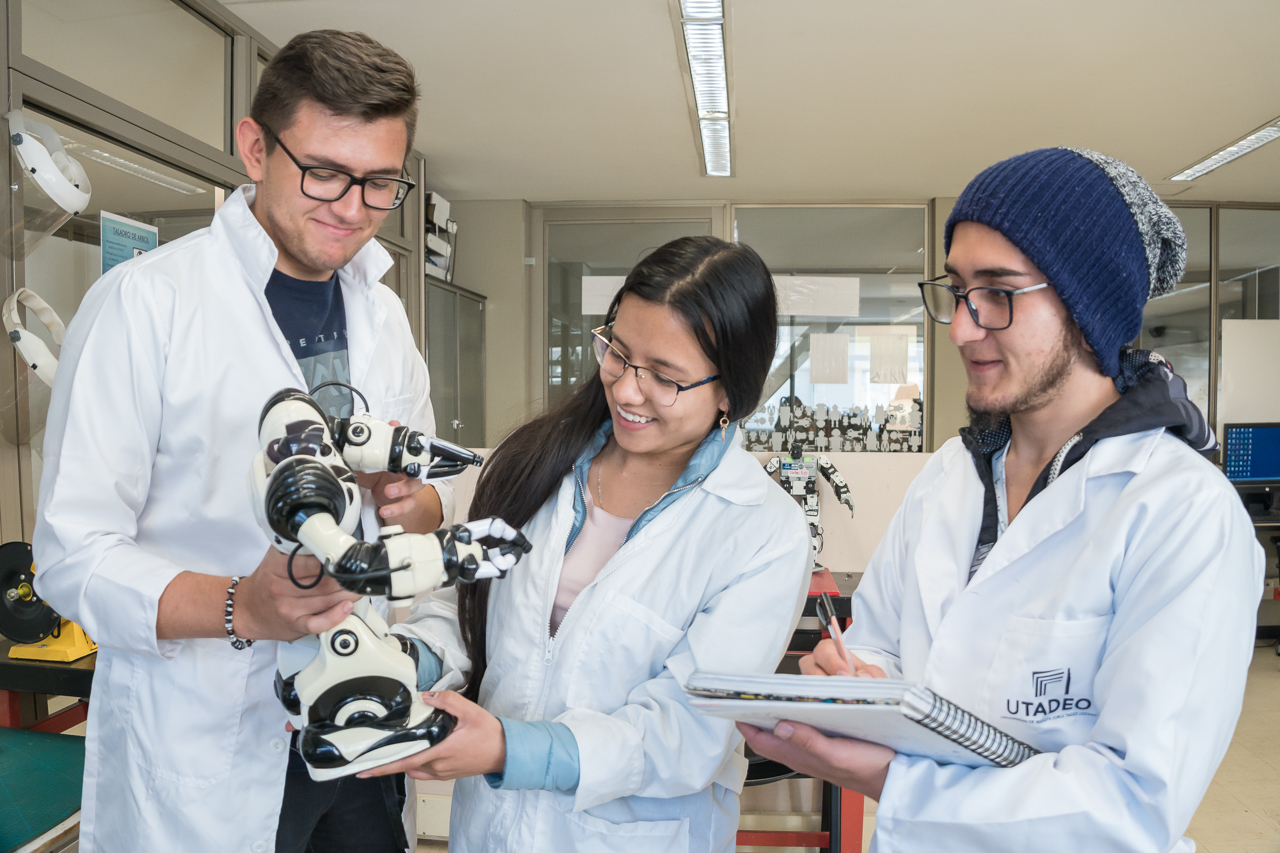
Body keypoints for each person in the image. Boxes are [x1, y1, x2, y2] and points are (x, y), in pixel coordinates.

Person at [740, 148, 1265, 852]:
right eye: (958, 290)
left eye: (998, 292)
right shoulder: (949, 476)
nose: (961, 327)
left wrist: (896, 780)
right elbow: (879, 644)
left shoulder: (1181, 512)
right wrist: (856, 681)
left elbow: (1131, 805)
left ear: (1087, 305)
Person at [33, 30, 450, 853]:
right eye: (324, 171)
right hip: (206, 741)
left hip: (356, 730)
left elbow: (422, 485)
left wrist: (415, 502)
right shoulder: (145, 304)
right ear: (255, 148)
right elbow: (73, 555)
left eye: (379, 182)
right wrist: (242, 607)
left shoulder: (384, 313)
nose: (352, 208)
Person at [365, 236, 813, 852]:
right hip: (490, 832)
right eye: (618, 353)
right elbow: (466, 608)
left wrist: (509, 749)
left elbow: (685, 733)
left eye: (665, 377)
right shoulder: (537, 463)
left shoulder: (761, 531)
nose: (626, 390)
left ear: (730, 392)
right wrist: (395, 663)